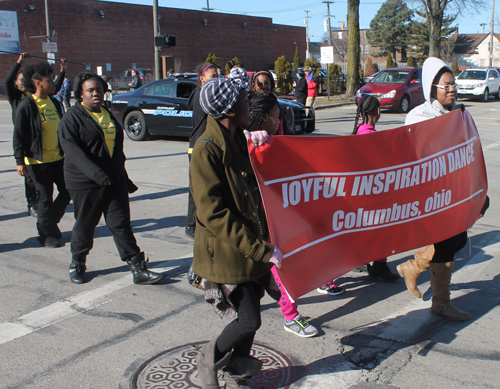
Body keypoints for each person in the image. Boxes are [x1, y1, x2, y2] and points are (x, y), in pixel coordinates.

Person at [190, 67, 282, 388]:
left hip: (246, 245)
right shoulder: (206, 150)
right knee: (249, 318)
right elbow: (213, 214)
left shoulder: (236, 138)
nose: (250, 103)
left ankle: (237, 365)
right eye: (245, 98)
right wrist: (260, 250)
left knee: (252, 310)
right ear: (230, 110)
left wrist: (261, 143)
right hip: (228, 252)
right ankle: (209, 357)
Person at [58, 72, 167, 285]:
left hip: (113, 181)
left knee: (121, 224)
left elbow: (115, 150)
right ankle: (77, 263)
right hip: (85, 183)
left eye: (99, 89)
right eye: (90, 90)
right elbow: (73, 151)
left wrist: (121, 175)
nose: (96, 93)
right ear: (81, 94)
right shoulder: (71, 118)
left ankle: (138, 268)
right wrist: (98, 175)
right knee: (85, 225)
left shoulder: (106, 113)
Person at [400, 57, 473, 321]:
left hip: (456, 188)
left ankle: (413, 267)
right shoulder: (418, 116)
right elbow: (415, 155)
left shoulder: (459, 114)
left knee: (459, 239)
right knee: (448, 242)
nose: (452, 89)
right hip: (431, 194)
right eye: (446, 86)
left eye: (453, 84)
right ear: (432, 88)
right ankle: (441, 303)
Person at [248, 92, 319, 338]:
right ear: (265, 117)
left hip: (276, 217)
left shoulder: (273, 140)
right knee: (280, 264)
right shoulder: (250, 142)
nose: (279, 121)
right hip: (261, 221)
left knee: (275, 268)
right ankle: (290, 316)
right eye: (277, 117)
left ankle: (285, 310)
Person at [13, 61, 71, 248]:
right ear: (38, 83)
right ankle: (46, 235)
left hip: (58, 158)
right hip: (37, 161)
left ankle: (50, 224)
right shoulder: (27, 105)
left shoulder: (54, 102)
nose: (53, 83)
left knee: (68, 190)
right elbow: (19, 135)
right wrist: (19, 160)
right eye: (49, 80)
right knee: (45, 199)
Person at [351, 95, 401, 281]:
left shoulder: (358, 132)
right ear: (378, 111)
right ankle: (379, 265)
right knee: (384, 231)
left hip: (362, 193)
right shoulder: (373, 137)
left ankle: (368, 262)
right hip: (375, 193)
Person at [185, 62, 219, 239]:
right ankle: (191, 225)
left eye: (218, 76)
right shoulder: (200, 95)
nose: (216, 79)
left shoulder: (208, 93)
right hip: (197, 147)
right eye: (212, 76)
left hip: (209, 146)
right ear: (202, 78)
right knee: (196, 189)